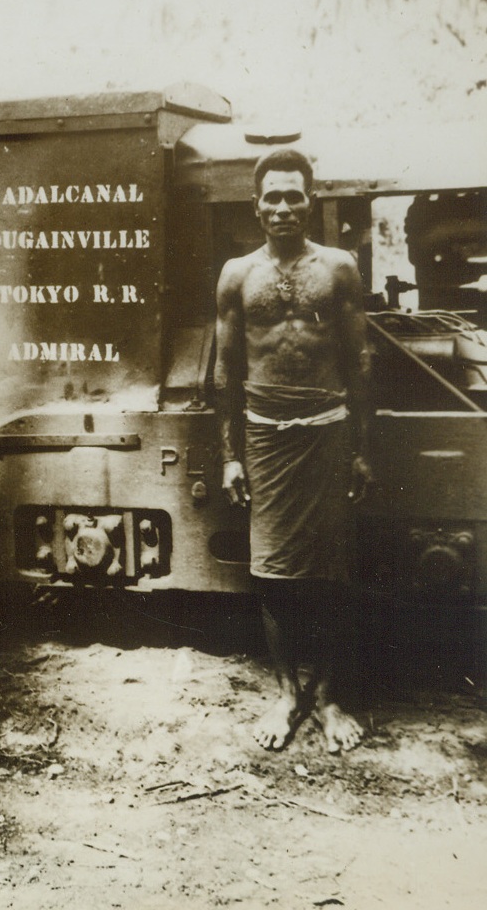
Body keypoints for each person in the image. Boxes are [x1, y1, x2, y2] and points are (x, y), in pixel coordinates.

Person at [214, 148, 374, 754]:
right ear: (256, 206)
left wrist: (362, 449)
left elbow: (359, 362)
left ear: (312, 201)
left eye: (294, 196)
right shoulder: (237, 274)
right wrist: (231, 454)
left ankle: (328, 698)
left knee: (333, 575)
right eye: (272, 197)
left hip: (327, 432)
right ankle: (285, 694)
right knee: (273, 577)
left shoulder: (338, 269)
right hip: (264, 438)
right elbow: (227, 372)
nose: (283, 207)